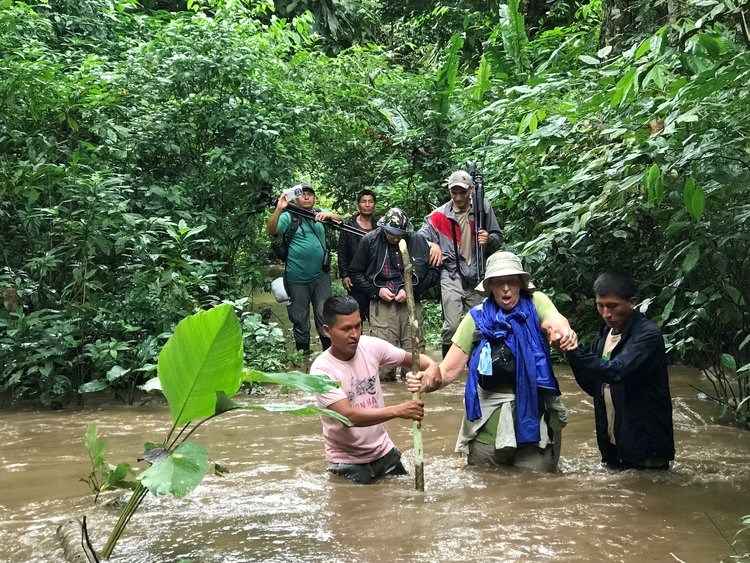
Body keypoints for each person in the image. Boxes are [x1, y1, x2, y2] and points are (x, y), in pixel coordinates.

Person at [408, 251, 576, 473]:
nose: (505, 288)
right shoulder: (476, 317)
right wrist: (427, 379)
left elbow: (555, 322)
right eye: (498, 283)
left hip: (535, 427)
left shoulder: (537, 303)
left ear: (521, 284)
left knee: (538, 487)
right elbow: (447, 371)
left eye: (511, 282)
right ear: (490, 287)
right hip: (488, 429)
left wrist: (562, 333)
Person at [311, 295, 440, 484]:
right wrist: (398, 410)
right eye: (346, 329)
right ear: (327, 331)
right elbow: (348, 417)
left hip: (384, 452)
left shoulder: (370, 346)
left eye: (357, 326)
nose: (355, 334)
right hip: (347, 462)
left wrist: (432, 368)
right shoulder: (321, 370)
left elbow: (415, 359)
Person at [557, 271, 675, 470]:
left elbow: (617, 371)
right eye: (600, 306)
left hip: (645, 449)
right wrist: (569, 351)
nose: (606, 314)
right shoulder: (605, 334)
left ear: (632, 302)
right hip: (614, 445)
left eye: (612, 306)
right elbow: (593, 385)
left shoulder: (647, 336)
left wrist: (576, 352)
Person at [418, 170, 503, 357]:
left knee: (482, 323)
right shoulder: (438, 215)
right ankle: (449, 373)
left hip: (478, 274)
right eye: (453, 192)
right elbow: (418, 239)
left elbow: (498, 237)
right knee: (451, 326)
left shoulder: (483, 210)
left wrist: (489, 239)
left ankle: (478, 366)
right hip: (451, 275)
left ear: (471, 190)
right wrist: (432, 245)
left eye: (462, 192)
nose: (457, 197)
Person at [349, 208, 439, 381]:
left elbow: (433, 273)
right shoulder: (370, 241)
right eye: (390, 233)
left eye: (399, 234)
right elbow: (355, 273)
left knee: (414, 357)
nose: (394, 237)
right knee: (383, 359)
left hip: (411, 302)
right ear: (383, 228)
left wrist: (411, 290)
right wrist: (376, 291)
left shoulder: (418, 241)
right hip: (383, 304)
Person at [266, 184, 342, 353]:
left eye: (310, 194)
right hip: (297, 278)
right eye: (303, 195)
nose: (307, 197)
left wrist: (329, 215)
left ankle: (327, 356)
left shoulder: (319, 213)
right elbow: (271, 231)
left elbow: (342, 220)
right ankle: (303, 358)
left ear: (315, 199)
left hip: (320, 276)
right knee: (300, 319)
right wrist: (279, 208)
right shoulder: (288, 217)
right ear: (296, 199)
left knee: (325, 316)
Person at [337, 189, 378, 322]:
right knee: (356, 317)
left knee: (376, 316)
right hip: (355, 277)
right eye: (363, 201)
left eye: (370, 201)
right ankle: (356, 342)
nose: (367, 205)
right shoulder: (349, 226)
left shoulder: (379, 226)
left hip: (374, 276)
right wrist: (344, 275)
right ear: (358, 205)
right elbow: (342, 251)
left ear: (374, 205)